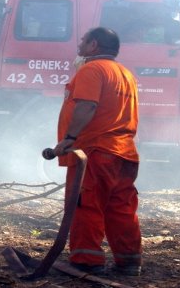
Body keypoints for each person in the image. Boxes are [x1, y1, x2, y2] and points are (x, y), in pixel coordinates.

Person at [53, 27, 142, 276]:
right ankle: (129, 261)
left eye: (82, 41)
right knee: (121, 207)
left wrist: (69, 138)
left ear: (93, 45)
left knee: (87, 203)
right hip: (124, 152)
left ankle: (86, 260)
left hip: (95, 151)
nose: (79, 44)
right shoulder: (125, 74)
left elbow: (87, 105)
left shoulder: (92, 70)